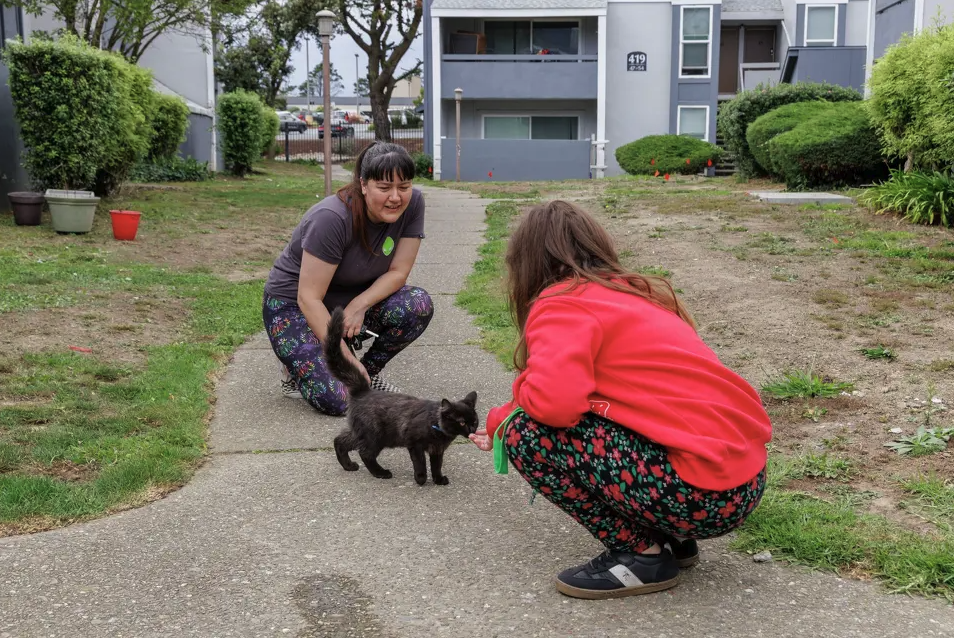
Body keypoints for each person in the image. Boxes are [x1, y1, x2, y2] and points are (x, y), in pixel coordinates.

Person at [469, 201, 772, 600]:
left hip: (700, 497)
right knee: (598, 421)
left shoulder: (563, 303)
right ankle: (673, 538)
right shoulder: (635, 294)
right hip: (742, 483)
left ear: (526, 264)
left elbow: (553, 405)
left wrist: (501, 419)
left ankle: (641, 555)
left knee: (525, 434)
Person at [262, 142, 433, 416]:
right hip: (296, 307)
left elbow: (398, 272)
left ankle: (369, 373)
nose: (396, 197)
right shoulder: (331, 218)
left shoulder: (414, 204)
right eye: (384, 187)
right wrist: (343, 358)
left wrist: (359, 305)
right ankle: (295, 367)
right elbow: (308, 298)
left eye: (404, 186)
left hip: (349, 299)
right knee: (340, 401)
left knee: (417, 305)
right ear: (364, 184)